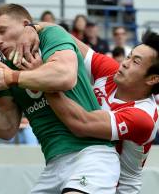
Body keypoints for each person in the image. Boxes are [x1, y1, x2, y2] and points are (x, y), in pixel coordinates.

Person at [0, 4, 120, 194]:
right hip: (53, 165)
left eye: (2, 31)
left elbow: (65, 77)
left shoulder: (49, 36)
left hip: (92, 155)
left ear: (25, 25)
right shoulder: (4, 67)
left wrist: (11, 78)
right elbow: (7, 127)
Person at [44, 30, 159, 194]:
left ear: (152, 79)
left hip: (113, 187)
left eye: (136, 62)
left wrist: (44, 81)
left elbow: (81, 124)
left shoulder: (143, 117)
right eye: (129, 56)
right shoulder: (112, 72)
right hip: (83, 167)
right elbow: (63, 37)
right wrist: (33, 29)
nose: (125, 63)